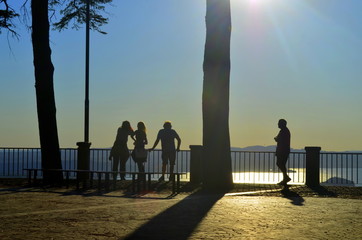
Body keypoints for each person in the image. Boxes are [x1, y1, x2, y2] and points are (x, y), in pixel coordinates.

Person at [274, 119, 291, 185]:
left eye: (279, 123)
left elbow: (280, 139)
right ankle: (285, 178)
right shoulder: (284, 131)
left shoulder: (284, 131)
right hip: (284, 150)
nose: (278, 124)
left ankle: (285, 178)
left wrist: (276, 139)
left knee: (280, 163)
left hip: (283, 150)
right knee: (281, 164)